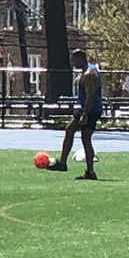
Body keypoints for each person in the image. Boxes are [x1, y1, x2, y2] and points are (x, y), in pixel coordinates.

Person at [47, 49, 102, 180]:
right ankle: (62, 163)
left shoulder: (88, 74)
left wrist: (85, 114)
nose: (72, 62)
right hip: (87, 109)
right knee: (70, 130)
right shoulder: (88, 70)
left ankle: (90, 172)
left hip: (91, 110)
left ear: (80, 58)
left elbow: (90, 96)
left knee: (85, 139)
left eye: (74, 59)